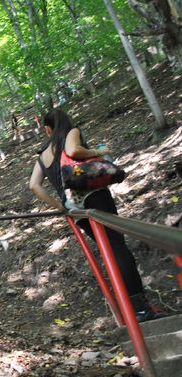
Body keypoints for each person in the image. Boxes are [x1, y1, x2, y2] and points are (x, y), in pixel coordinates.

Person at [29, 108, 168, 322]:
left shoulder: (42, 156)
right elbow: (74, 151)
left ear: (47, 129)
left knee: (108, 250)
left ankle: (129, 309)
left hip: (73, 206)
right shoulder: (71, 131)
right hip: (92, 194)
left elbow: (34, 186)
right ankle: (140, 309)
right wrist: (98, 151)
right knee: (117, 247)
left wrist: (60, 206)